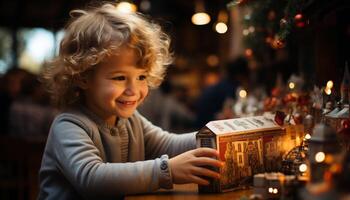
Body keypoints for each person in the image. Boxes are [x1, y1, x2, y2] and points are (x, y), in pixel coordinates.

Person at [38, 4, 222, 199]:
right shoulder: (69, 125)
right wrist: (166, 170)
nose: (134, 90)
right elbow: (91, 178)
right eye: (119, 78)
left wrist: (217, 135)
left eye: (142, 77)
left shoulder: (131, 120)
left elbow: (168, 143)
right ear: (83, 77)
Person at [194, 57, 249, 128]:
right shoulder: (230, 87)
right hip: (205, 125)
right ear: (240, 75)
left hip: (201, 121)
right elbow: (227, 113)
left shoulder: (224, 84)